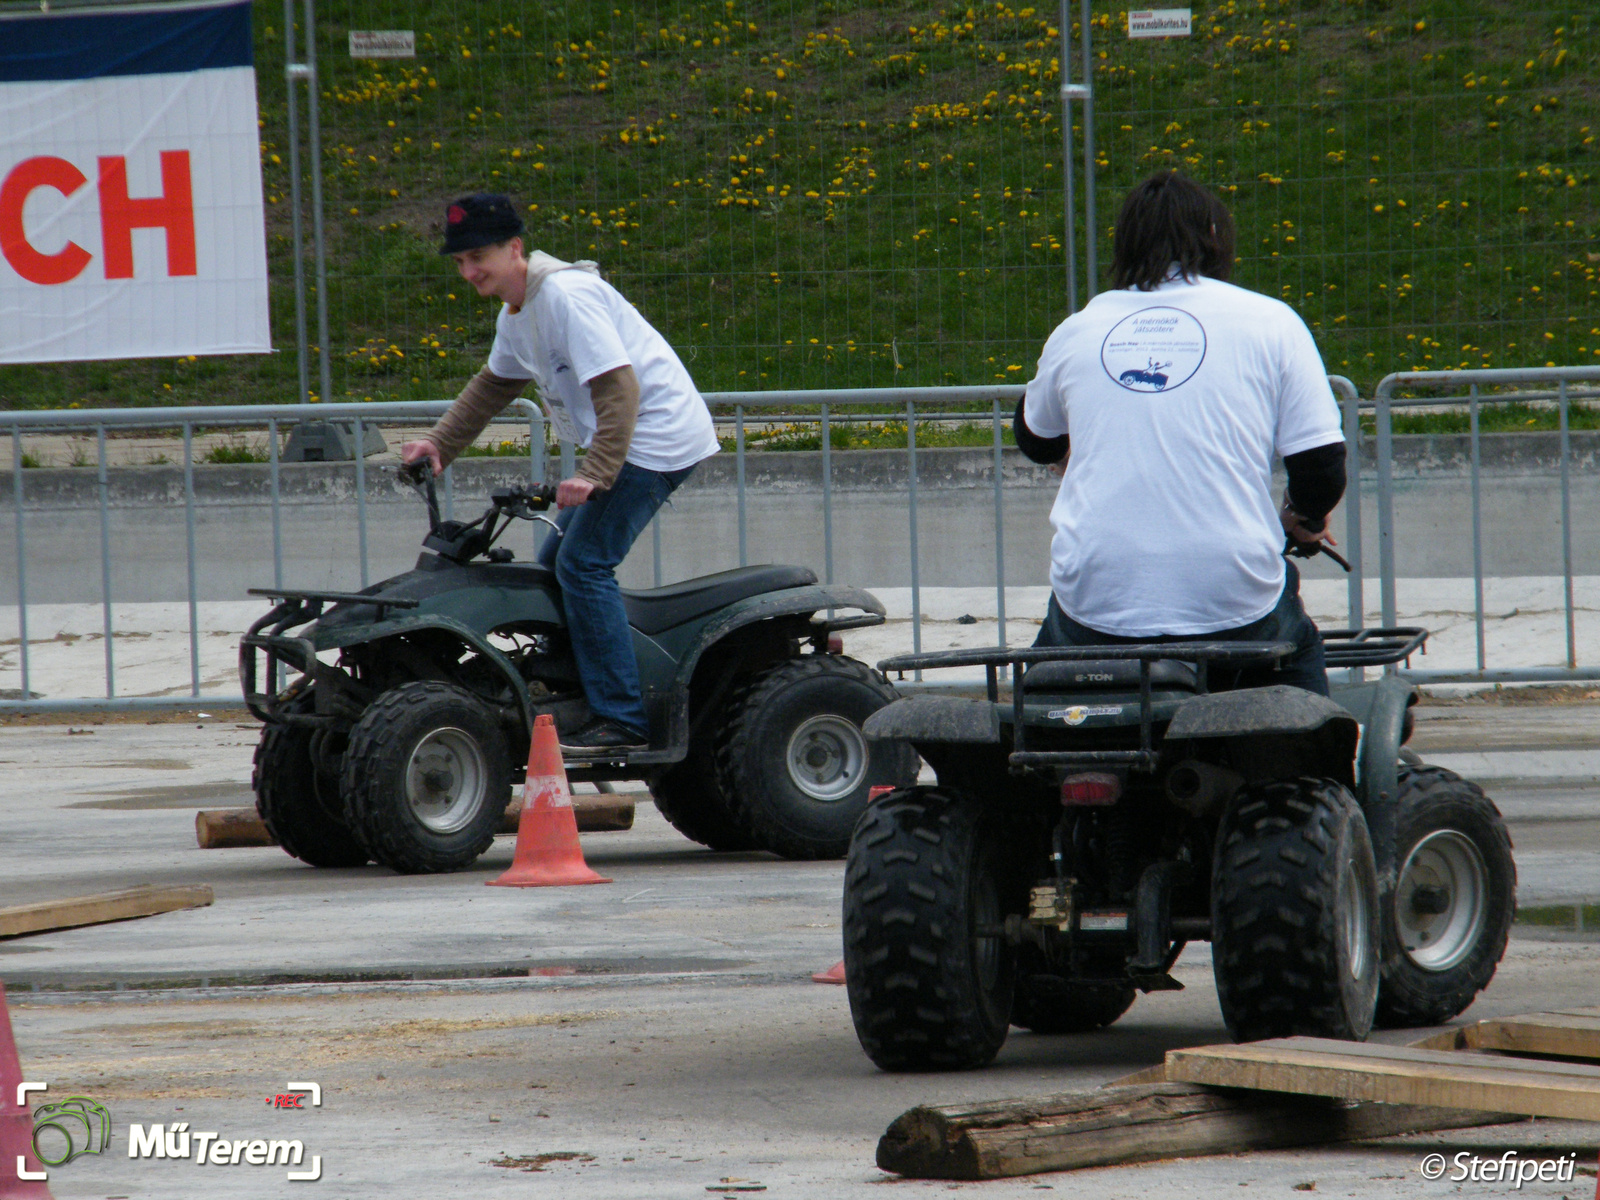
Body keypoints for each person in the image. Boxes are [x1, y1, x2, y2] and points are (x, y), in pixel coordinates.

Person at [400, 193, 719, 752]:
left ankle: (620, 719)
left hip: (657, 438)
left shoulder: (565, 297)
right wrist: (440, 442)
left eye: (479, 256)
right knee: (553, 560)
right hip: (627, 439)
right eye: (460, 261)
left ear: (516, 249)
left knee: (584, 563)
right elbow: (494, 385)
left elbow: (619, 386)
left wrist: (596, 471)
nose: (469, 271)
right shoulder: (516, 313)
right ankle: (577, 683)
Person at [1013, 170, 1346, 694]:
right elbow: (1321, 466)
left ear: (1125, 244)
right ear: (1215, 236)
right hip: (1233, 602)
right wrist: (1302, 516)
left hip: (1099, 605)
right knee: (1299, 664)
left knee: (1044, 703)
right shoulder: (1271, 322)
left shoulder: (1079, 328)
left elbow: (1036, 439)